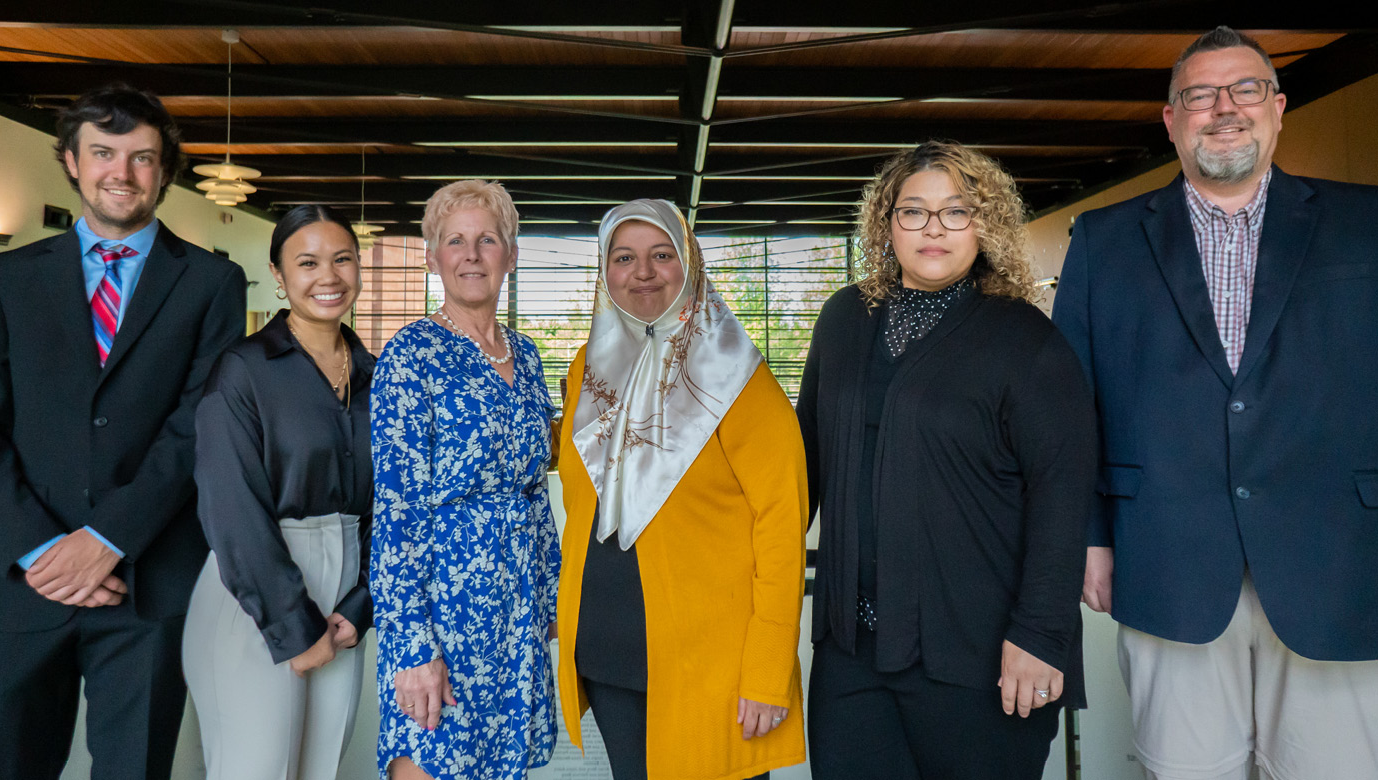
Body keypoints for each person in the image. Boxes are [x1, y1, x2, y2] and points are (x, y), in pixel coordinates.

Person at [1052, 26, 1378, 780]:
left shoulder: (1365, 224)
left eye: (1243, 90)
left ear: (1277, 107)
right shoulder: (1102, 240)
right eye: (1198, 95)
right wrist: (1090, 537)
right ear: (1170, 119)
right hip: (1164, 558)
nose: (1221, 108)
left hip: (1340, 563)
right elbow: (1074, 407)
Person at [798, 141, 1096, 779]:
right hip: (852, 655)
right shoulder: (843, 319)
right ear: (887, 224)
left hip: (982, 656)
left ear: (984, 224)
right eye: (913, 211)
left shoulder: (1027, 341)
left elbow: (1062, 497)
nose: (933, 228)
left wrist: (1040, 637)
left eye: (956, 211)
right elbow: (806, 467)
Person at [0, 83, 247, 778]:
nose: (122, 173)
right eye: (103, 153)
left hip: (147, 583)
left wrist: (106, 541)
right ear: (71, 162)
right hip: (20, 581)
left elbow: (200, 424)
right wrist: (45, 549)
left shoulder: (211, 284)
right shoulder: (3, 280)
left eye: (142, 157)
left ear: (164, 170)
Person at [556, 199, 808, 780]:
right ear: (604, 270)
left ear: (689, 264)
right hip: (611, 655)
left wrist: (768, 669)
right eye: (624, 257)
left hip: (710, 665)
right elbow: (581, 509)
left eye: (662, 254)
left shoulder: (740, 377)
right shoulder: (583, 373)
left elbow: (781, 523)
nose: (643, 271)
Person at [370, 179, 560, 780]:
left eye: (487, 239)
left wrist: (552, 595)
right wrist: (411, 645)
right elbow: (395, 508)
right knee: (432, 759)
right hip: (442, 608)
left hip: (516, 609)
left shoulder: (527, 357)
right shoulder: (410, 356)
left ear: (512, 253)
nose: (472, 254)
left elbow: (535, 494)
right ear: (433, 257)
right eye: (455, 240)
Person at [182, 205, 374, 779]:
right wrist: (292, 626)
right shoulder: (243, 369)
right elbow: (231, 506)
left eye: (342, 259)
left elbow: (390, 501)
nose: (329, 276)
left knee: (320, 769)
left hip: (343, 599)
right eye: (308, 262)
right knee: (256, 769)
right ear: (278, 274)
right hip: (256, 594)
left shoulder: (374, 373)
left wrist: (359, 604)